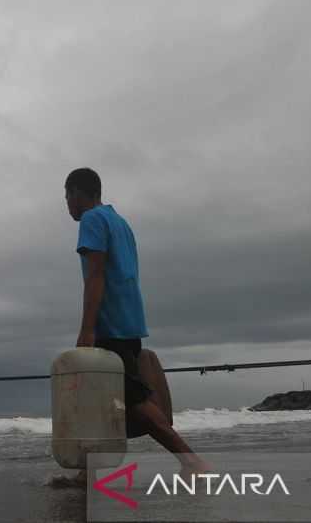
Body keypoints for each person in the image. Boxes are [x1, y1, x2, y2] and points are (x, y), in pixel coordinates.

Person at [64, 167, 209, 476]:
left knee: (130, 401)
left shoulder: (92, 220)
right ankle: (85, 476)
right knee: (108, 400)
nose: (67, 204)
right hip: (129, 321)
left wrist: (87, 329)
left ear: (78, 192)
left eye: (67, 196)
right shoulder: (121, 223)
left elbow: (96, 275)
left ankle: (192, 462)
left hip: (109, 324)